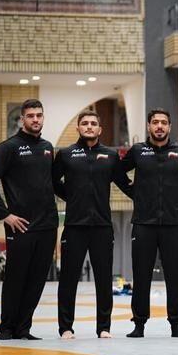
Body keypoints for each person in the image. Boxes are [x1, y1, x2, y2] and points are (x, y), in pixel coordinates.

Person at [0, 98, 58, 340]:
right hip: (21, 226)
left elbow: (53, 184)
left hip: (48, 225)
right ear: (22, 119)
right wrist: (4, 214)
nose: (35, 119)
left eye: (39, 115)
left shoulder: (47, 147)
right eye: (31, 116)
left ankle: (24, 328)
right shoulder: (8, 147)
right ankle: (7, 328)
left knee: (37, 280)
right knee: (16, 278)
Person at [53, 110, 132, 339]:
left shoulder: (110, 155)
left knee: (104, 279)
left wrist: (149, 198)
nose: (89, 126)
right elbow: (52, 181)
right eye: (85, 123)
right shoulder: (66, 154)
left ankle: (104, 327)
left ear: (100, 129)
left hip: (102, 227)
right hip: (74, 226)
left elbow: (125, 184)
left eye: (93, 123)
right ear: (78, 128)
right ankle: (66, 328)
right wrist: (71, 197)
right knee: (68, 279)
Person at [120, 108, 178, 338]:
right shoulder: (138, 151)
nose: (159, 126)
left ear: (169, 127)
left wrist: (173, 187)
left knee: (174, 276)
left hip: (172, 224)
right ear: (148, 126)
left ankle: (176, 324)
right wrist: (134, 192)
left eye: (163, 122)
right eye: (155, 122)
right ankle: (139, 324)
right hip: (144, 223)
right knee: (142, 275)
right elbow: (117, 171)